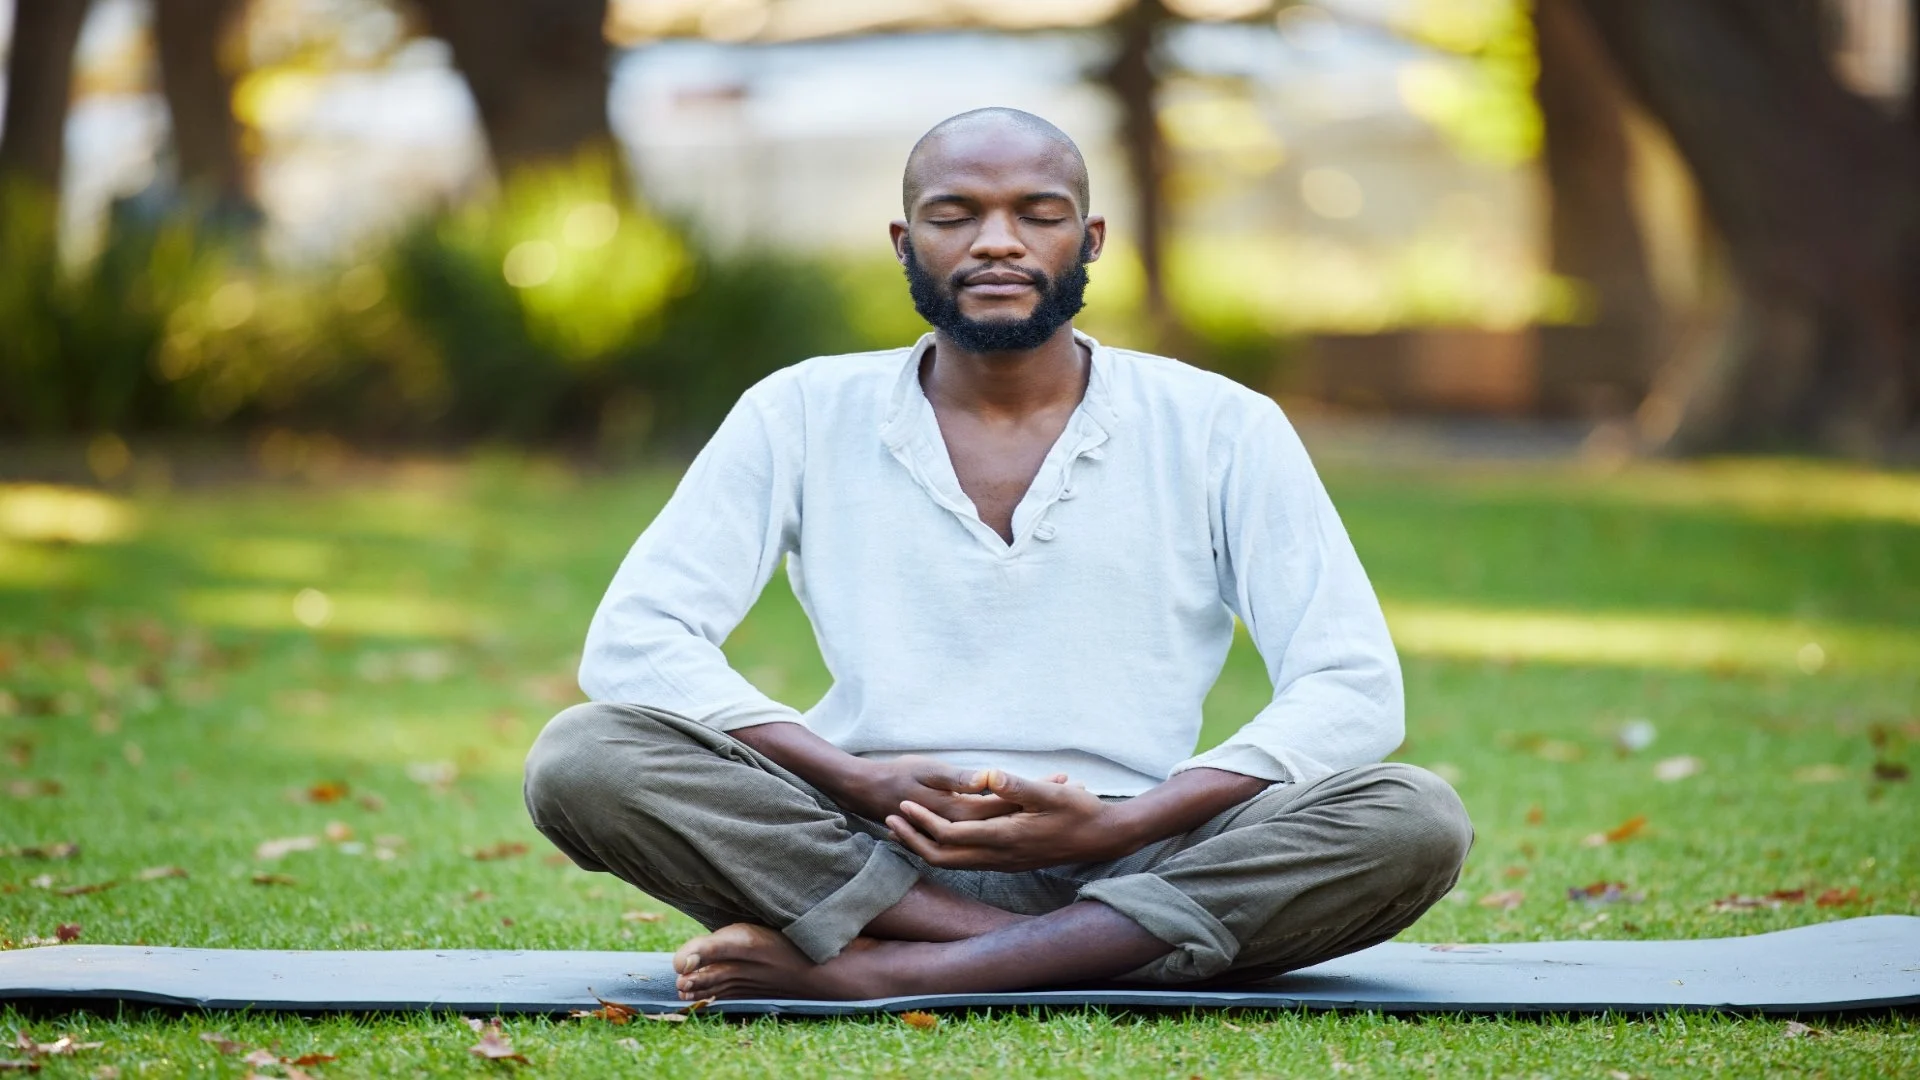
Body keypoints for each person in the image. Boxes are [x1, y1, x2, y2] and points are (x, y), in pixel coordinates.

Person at [523, 108, 1472, 1001]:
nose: (997, 242)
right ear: (906, 244)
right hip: (872, 847)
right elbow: (639, 640)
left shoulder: (1221, 423)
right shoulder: (802, 409)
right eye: (955, 215)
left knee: (1411, 818)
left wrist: (1131, 820)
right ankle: (1045, 951)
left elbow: (1350, 686)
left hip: (1143, 849)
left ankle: (896, 972)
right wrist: (854, 778)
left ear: (1090, 240)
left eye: (1038, 214)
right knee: (584, 756)